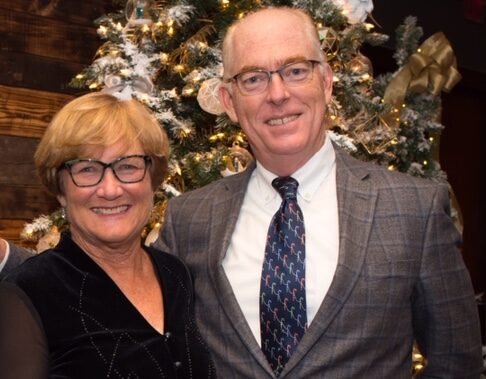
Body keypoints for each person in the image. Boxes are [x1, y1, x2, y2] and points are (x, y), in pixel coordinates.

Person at [1, 6, 483, 378]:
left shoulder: (414, 209)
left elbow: (457, 365)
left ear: (327, 81)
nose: (277, 94)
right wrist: (9, 259)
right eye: (253, 78)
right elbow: (112, 282)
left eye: (295, 70)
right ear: (229, 101)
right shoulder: (193, 217)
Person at [0, 92, 216, 378]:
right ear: (61, 190)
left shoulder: (176, 274)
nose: (110, 189)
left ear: (153, 179)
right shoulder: (27, 292)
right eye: (88, 169)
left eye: (128, 166)